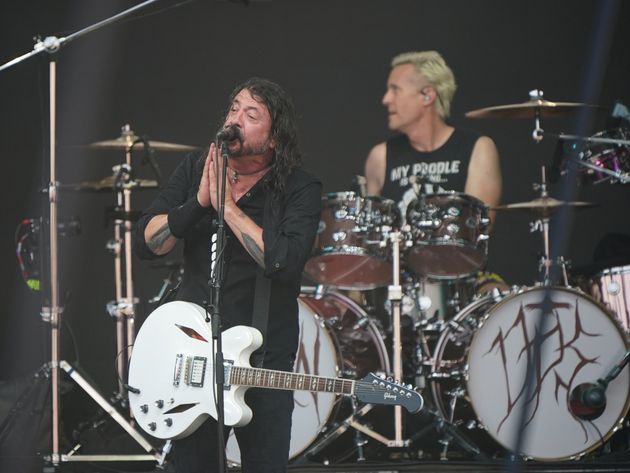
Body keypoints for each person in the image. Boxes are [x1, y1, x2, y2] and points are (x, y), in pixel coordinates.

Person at [133, 77, 322, 473]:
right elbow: (148, 242)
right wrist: (201, 201)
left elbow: (283, 262)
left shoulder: (298, 188)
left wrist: (228, 209)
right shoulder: (196, 168)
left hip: (264, 359)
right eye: (234, 108)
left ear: (273, 139)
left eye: (251, 114)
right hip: (193, 358)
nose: (235, 119)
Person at [364, 50, 502, 223]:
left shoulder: (477, 148)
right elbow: (371, 237)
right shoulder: (380, 157)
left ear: (427, 95)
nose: (386, 99)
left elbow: (476, 230)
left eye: (395, 90)